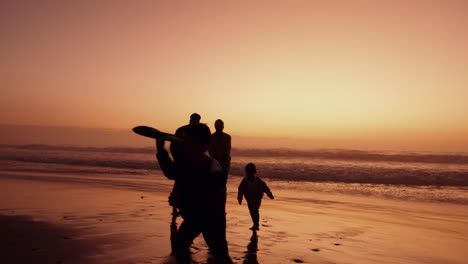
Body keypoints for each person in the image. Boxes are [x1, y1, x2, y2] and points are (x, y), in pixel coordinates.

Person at [156, 123, 233, 264]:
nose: (183, 145)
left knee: (217, 250)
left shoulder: (202, 165)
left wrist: (161, 152)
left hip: (207, 217)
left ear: (202, 146)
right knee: (184, 245)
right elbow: (176, 173)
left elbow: (173, 172)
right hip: (201, 216)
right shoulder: (197, 162)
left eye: (187, 142)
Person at [237, 163, 274, 230]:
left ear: (254, 172)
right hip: (249, 199)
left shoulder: (258, 180)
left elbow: (265, 187)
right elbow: (240, 190)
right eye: (249, 172)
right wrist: (240, 198)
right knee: (252, 211)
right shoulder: (244, 181)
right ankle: (255, 224)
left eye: (251, 172)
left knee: (255, 210)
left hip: (257, 198)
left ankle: (256, 224)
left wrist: (270, 194)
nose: (250, 174)